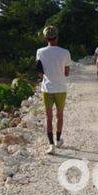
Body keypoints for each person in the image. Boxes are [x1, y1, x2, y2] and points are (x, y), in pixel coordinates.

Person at [36, 26, 71, 155]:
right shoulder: (65, 52)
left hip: (47, 88)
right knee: (59, 115)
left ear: (45, 38)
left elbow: (40, 72)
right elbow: (67, 73)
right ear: (57, 37)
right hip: (61, 88)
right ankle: (58, 139)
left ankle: (51, 145)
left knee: (49, 117)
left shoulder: (40, 51)